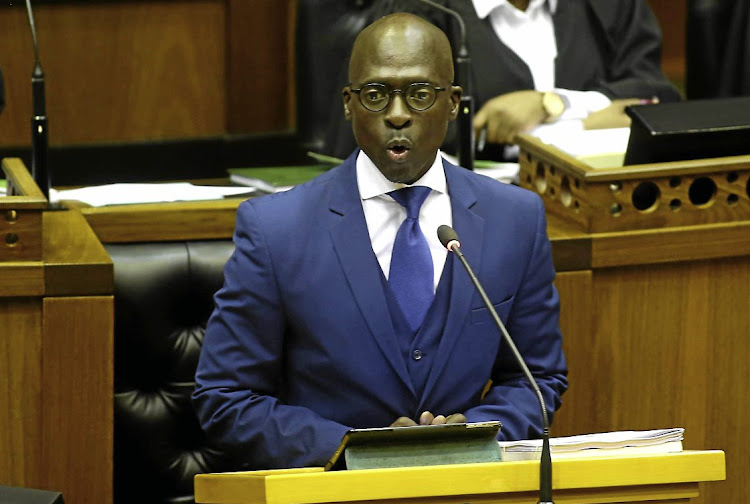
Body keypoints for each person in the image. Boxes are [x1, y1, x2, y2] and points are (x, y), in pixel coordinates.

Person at [193, 12, 567, 470]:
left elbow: (537, 378)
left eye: (419, 94)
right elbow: (225, 397)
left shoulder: (515, 219)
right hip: (331, 495)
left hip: (464, 491)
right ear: (348, 105)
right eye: (375, 95)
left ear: (453, 103)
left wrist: (473, 433)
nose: (396, 114)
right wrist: (350, 448)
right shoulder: (276, 229)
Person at [446, 0, 683, 158]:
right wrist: (587, 124)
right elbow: (437, 133)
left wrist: (552, 105)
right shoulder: (430, 13)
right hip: (487, 209)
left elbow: (655, 99)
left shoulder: (609, 6)